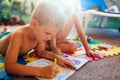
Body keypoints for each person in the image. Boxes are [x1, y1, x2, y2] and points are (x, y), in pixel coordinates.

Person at [0, 1, 75, 79]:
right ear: (34, 24)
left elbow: (41, 52)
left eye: (52, 35)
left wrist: (58, 59)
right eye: (48, 33)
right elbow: (9, 67)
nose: (49, 38)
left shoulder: (39, 35)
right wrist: (40, 71)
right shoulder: (18, 35)